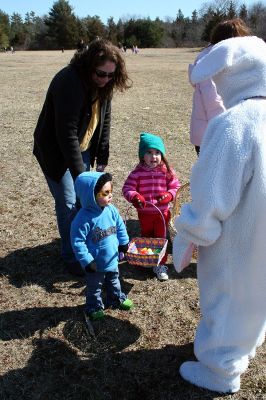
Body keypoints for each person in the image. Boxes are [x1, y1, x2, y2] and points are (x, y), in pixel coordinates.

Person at [173, 35, 266, 393]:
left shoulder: (233, 124)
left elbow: (213, 193)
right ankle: (248, 344)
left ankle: (221, 370)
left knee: (226, 293)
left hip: (238, 237)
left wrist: (190, 234)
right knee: (258, 295)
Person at [33, 38, 132, 276]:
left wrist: (102, 158)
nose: (106, 79)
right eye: (101, 74)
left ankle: (87, 248)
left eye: (111, 75)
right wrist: (82, 178)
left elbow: (104, 121)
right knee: (69, 203)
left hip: (83, 147)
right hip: (57, 152)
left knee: (83, 203)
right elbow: (65, 134)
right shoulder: (69, 81)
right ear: (89, 66)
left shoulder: (104, 85)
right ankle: (72, 257)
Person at [70, 171, 134, 320]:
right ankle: (94, 306)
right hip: (95, 263)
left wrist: (124, 243)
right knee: (94, 287)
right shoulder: (82, 219)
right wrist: (86, 261)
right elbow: (77, 242)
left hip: (111, 258)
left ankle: (116, 299)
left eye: (110, 191)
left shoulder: (111, 210)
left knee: (114, 280)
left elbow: (120, 227)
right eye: (105, 193)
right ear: (91, 196)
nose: (110, 195)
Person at [122, 132, 181, 281]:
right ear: (142, 155)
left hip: (162, 213)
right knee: (147, 237)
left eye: (157, 152)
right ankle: (147, 260)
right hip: (145, 214)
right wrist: (135, 197)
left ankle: (160, 264)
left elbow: (176, 186)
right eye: (149, 152)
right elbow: (127, 188)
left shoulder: (166, 171)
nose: (153, 156)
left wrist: (169, 195)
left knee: (161, 239)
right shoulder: (137, 173)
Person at [189, 18, 251, 156]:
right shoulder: (212, 60)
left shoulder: (227, 57)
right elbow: (212, 101)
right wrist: (225, 131)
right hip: (213, 135)